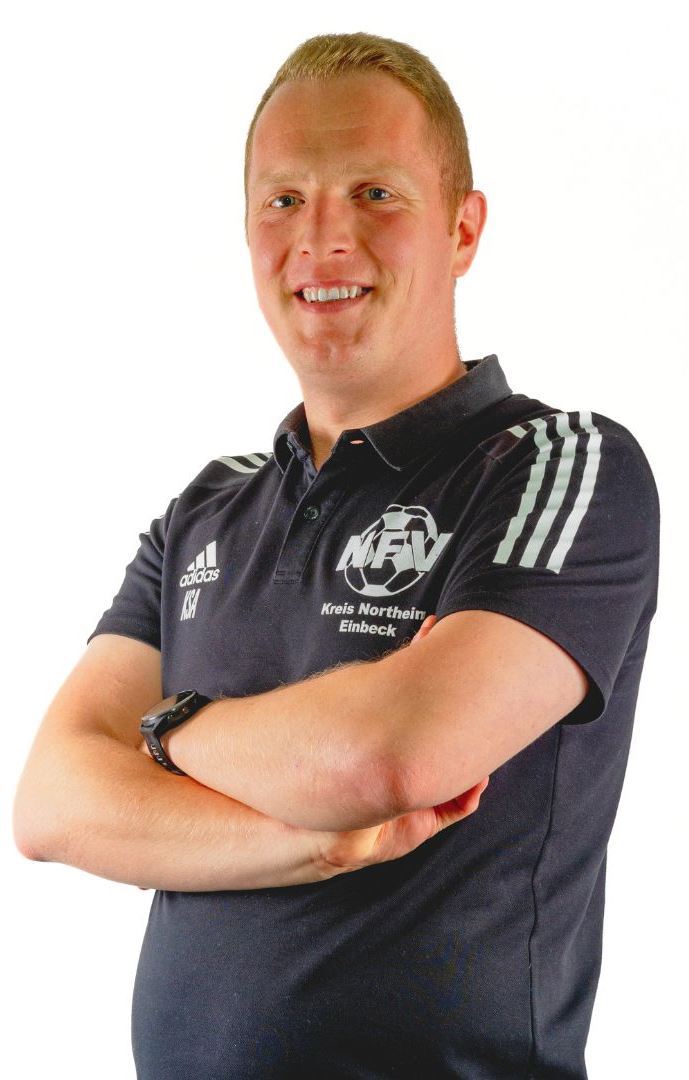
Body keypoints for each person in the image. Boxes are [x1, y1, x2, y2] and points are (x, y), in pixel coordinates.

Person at [13, 30, 659, 1080]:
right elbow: (51, 802)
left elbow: (393, 756)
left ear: (461, 229)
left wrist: (167, 728)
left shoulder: (556, 465)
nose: (321, 238)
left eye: (374, 194)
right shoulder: (206, 510)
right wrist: (314, 839)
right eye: (284, 200)